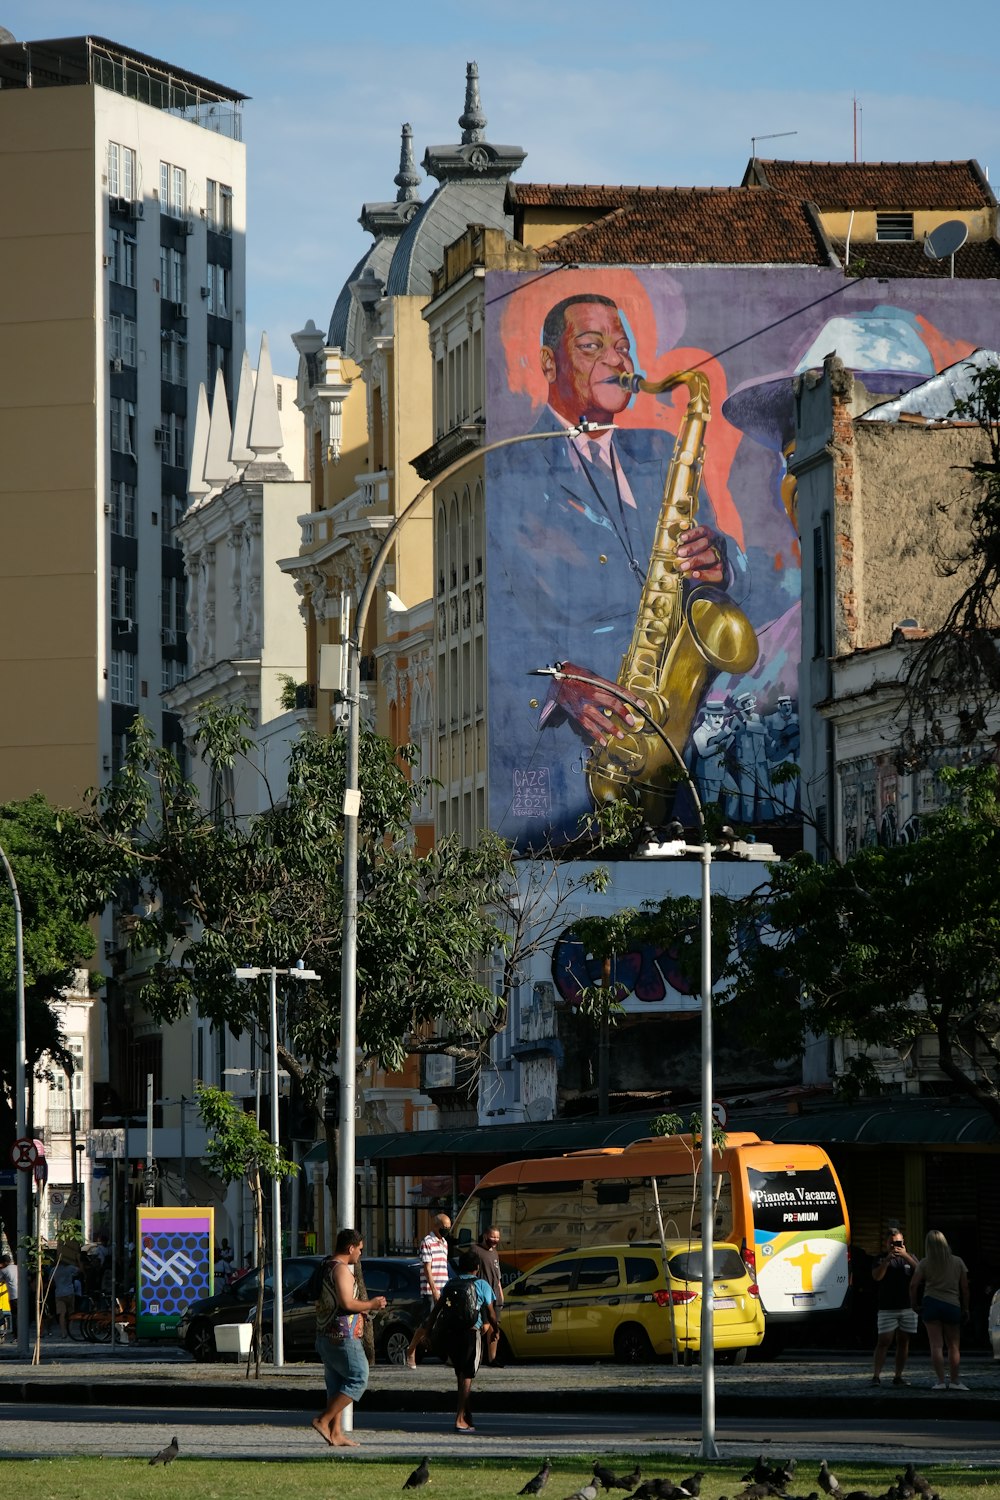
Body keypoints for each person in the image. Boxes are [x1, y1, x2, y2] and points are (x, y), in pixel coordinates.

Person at [488, 293, 747, 847]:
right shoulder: (506, 466)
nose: (616, 359)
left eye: (623, 346)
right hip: (569, 775)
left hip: (675, 752)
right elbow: (497, 622)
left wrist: (723, 562)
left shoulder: (661, 449)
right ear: (549, 362)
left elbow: (738, 584)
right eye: (592, 345)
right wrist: (557, 680)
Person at [311, 1227, 386, 1448]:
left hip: (325, 1334)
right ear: (350, 1248)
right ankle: (323, 1420)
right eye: (360, 1249)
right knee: (359, 1378)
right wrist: (372, 1304)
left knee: (336, 1385)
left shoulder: (326, 1266)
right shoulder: (341, 1269)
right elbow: (346, 1303)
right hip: (342, 1335)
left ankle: (336, 1434)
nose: (360, 1254)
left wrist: (363, 1309)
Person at [427, 1248, 498, 1434]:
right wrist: (495, 1331)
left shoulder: (451, 1283)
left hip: (452, 1334)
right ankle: (460, 1419)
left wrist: (428, 1331)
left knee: (461, 1375)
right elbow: (491, 1314)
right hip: (471, 1333)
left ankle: (467, 1415)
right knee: (467, 1377)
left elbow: (436, 1311)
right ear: (477, 1267)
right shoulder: (482, 1285)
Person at [910, 1229, 970, 1391]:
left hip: (931, 1304)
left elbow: (913, 1285)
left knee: (936, 1346)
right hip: (952, 1305)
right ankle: (956, 1381)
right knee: (953, 1346)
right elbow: (964, 1288)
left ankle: (940, 1381)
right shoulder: (958, 1262)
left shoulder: (924, 1263)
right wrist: (966, 1308)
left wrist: (914, 1305)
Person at [870, 1227, 918, 1385]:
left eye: (898, 1242)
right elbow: (877, 1277)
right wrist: (887, 1260)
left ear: (903, 1242)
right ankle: (876, 1376)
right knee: (883, 1341)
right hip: (887, 1307)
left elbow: (920, 1273)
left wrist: (905, 1256)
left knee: (904, 1341)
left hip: (907, 1306)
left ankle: (898, 1376)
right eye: (891, 1243)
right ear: (886, 1243)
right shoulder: (880, 1258)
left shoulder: (910, 1257)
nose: (894, 1246)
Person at [405, 1211, 452, 1369]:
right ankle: (411, 1350)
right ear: (436, 1226)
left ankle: (448, 1354)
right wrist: (434, 1290)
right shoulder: (427, 1242)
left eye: (448, 1227)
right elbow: (427, 1268)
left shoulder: (444, 1243)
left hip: (444, 1287)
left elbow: (443, 1267)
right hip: (430, 1290)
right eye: (444, 1227)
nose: (446, 1229)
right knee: (427, 1322)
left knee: (446, 1322)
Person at [467, 1226, 504, 1365]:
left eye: (497, 1237)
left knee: (494, 1327)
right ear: (485, 1236)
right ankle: (474, 1356)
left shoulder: (495, 1253)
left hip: (495, 1294)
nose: (495, 1240)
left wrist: (500, 1292)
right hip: (481, 1294)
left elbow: (497, 1276)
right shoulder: (475, 1250)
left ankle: (492, 1358)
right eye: (492, 1237)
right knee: (481, 1326)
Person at [50, 1258, 79, 1338]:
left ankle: (63, 1332)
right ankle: (70, 1331)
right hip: (69, 1292)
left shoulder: (54, 1269)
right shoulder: (70, 1268)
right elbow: (79, 1271)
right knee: (71, 1313)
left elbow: (51, 1281)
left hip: (59, 1293)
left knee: (61, 1314)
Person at [0, 1254, 17, 1339]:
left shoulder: (4, 1270)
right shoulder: (17, 1267)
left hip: (13, 1295)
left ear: (5, 1262)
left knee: (15, 1315)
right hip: (22, 1295)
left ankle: (16, 1334)